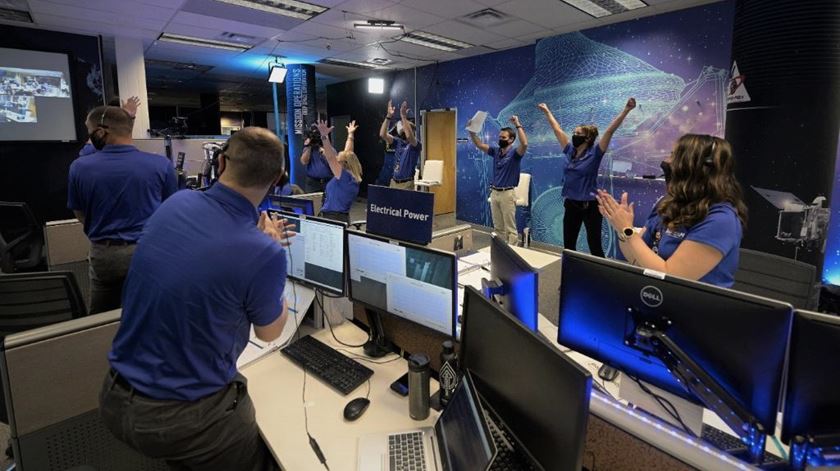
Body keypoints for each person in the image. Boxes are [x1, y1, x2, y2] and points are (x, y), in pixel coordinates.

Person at [100, 127, 291, 470]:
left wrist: (258, 246)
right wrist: (271, 252)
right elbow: (269, 333)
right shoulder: (263, 252)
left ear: (220, 163)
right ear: (278, 178)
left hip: (115, 398)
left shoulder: (176, 203)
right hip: (184, 420)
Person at [595, 134, 747, 288]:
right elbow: (634, 258)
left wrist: (626, 229)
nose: (667, 161)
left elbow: (670, 276)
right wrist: (621, 230)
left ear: (692, 167)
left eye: (673, 155)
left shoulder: (720, 220)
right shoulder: (668, 203)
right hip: (653, 298)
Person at [67, 105, 177, 314]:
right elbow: (170, 209)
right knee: (150, 313)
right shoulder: (161, 164)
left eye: (90, 131)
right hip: (148, 251)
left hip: (105, 254)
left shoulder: (80, 167)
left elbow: (79, 213)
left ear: (101, 132)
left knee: (100, 320)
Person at [538, 98, 636, 257]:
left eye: (578, 134)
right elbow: (557, 130)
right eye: (574, 133)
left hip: (590, 206)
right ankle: (570, 276)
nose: (574, 136)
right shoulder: (569, 150)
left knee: (595, 245)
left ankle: (600, 277)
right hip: (571, 204)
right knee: (569, 245)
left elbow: (610, 131)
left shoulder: (595, 153)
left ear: (588, 138)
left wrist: (626, 110)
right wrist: (547, 111)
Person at [467, 115, 528, 245]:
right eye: (500, 137)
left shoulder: (515, 154)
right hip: (494, 193)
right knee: (498, 228)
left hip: (507, 194)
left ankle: (512, 255)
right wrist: (471, 131)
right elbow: (479, 144)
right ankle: (500, 252)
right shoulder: (496, 151)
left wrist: (517, 124)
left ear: (511, 140)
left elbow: (525, 143)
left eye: (503, 138)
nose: (500, 140)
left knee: (510, 229)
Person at [316, 118, 363, 224]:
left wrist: (324, 136)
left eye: (339, 161)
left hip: (333, 219)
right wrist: (350, 135)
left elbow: (330, 158)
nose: (337, 161)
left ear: (343, 164)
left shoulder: (343, 177)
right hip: (340, 218)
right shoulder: (352, 176)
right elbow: (349, 152)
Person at [379, 100, 421, 190]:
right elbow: (382, 134)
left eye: (405, 128)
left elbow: (409, 136)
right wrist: (388, 116)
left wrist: (403, 117)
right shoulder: (398, 142)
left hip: (406, 184)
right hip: (393, 182)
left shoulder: (416, 145)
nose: (402, 130)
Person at [300, 124, 333, 193]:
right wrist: (309, 146)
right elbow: (304, 161)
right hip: (313, 183)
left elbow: (332, 161)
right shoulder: (307, 149)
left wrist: (323, 149)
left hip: (328, 181)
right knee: (313, 202)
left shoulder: (328, 147)